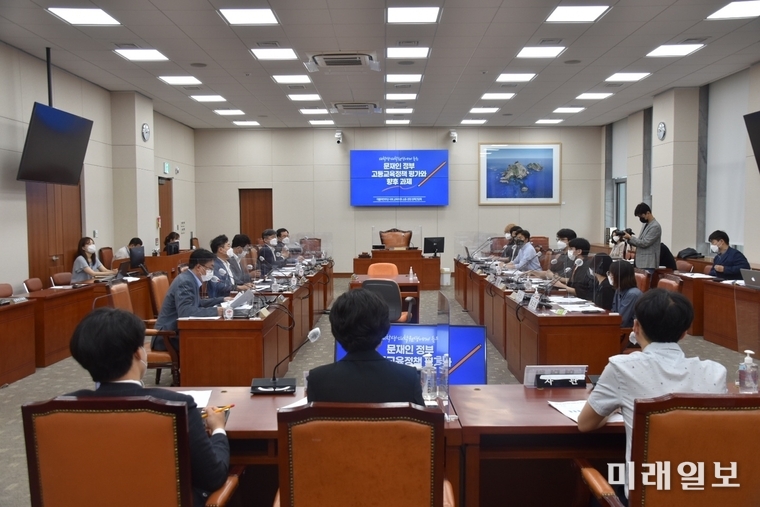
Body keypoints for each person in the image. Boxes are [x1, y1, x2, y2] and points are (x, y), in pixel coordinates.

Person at [68, 307, 230, 507]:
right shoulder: (175, 405)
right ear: (138, 353)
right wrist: (218, 430)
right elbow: (213, 476)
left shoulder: (61, 409)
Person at [578, 289, 727, 503]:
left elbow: (585, 424)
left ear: (636, 327)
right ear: (685, 332)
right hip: (701, 492)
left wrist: (614, 408)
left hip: (646, 496)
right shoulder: (715, 372)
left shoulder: (623, 368)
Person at [307, 289, 424, 405]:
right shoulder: (408, 378)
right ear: (385, 329)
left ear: (336, 332)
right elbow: (425, 423)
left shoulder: (317, 380)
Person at [153, 249, 226, 351]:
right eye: (210, 268)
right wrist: (216, 311)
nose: (211, 272)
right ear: (199, 267)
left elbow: (198, 303)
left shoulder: (190, 278)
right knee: (212, 342)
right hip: (167, 337)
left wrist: (222, 300)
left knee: (214, 339)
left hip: (177, 332)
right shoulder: (185, 281)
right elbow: (186, 312)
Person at [623, 203, 661, 272]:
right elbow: (639, 241)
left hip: (648, 263)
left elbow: (644, 243)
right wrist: (629, 238)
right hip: (640, 262)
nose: (640, 218)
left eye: (641, 216)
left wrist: (631, 238)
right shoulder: (645, 225)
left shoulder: (655, 226)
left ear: (648, 213)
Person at [609, 260, 642, 328]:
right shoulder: (619, 289)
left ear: (619, 276)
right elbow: (614, 312)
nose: (610, 276)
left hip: (628, 332)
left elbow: (622, 321)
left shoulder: (633, 294)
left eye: (612, 274)